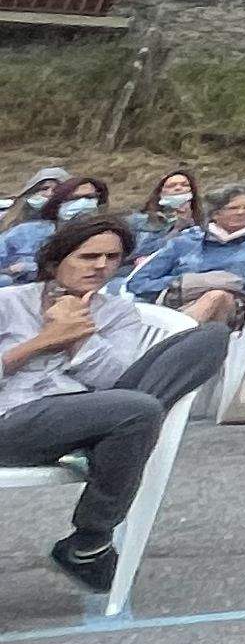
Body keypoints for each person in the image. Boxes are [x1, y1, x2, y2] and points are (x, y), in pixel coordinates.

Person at [0, 213, 232, 590]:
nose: (101, 266)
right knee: (138, 409)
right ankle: (90, 539)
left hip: (93, 415)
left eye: (111, 257)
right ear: (56, 261)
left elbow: (115, 381)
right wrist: (46, 339)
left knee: (209, 337)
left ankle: (106, 446)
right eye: (88, 257)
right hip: (11, 422)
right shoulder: (8, 303)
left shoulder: (118, 313)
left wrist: (79, 339)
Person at [126, 184, 245, 332]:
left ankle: (175, 341)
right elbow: (138, 283)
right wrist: (185, 282)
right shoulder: (186, 241)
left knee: (217, 296)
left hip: (231, 308)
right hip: (177, 303)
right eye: (233, 208)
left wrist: (234, 283)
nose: (241, 212)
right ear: (215, 214)